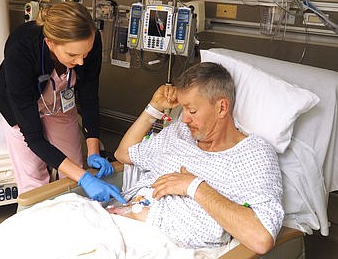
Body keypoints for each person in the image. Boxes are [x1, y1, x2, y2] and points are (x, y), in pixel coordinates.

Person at [113, 62, 284, 254]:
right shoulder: (180, 132)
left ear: (221, 108)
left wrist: (194, 187)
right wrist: (154, 108)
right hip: (115, 225)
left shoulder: (253, 155)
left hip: (156, 246)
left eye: (192, 111)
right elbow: (124, 153)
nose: (184, 118)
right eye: (183, 109)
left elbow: (261, 239)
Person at [0, 2, 125, 204]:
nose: (81, 62)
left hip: (60, 104)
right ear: (50, 43)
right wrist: (85, 178)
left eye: (85, 54)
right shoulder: (20, 48)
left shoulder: (90, 39)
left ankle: (73, 212)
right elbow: (34, 139)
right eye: (72, 55)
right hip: (20, 108)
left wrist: (93, 151)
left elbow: (89, 96)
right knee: (33, 174)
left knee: (74, 165)